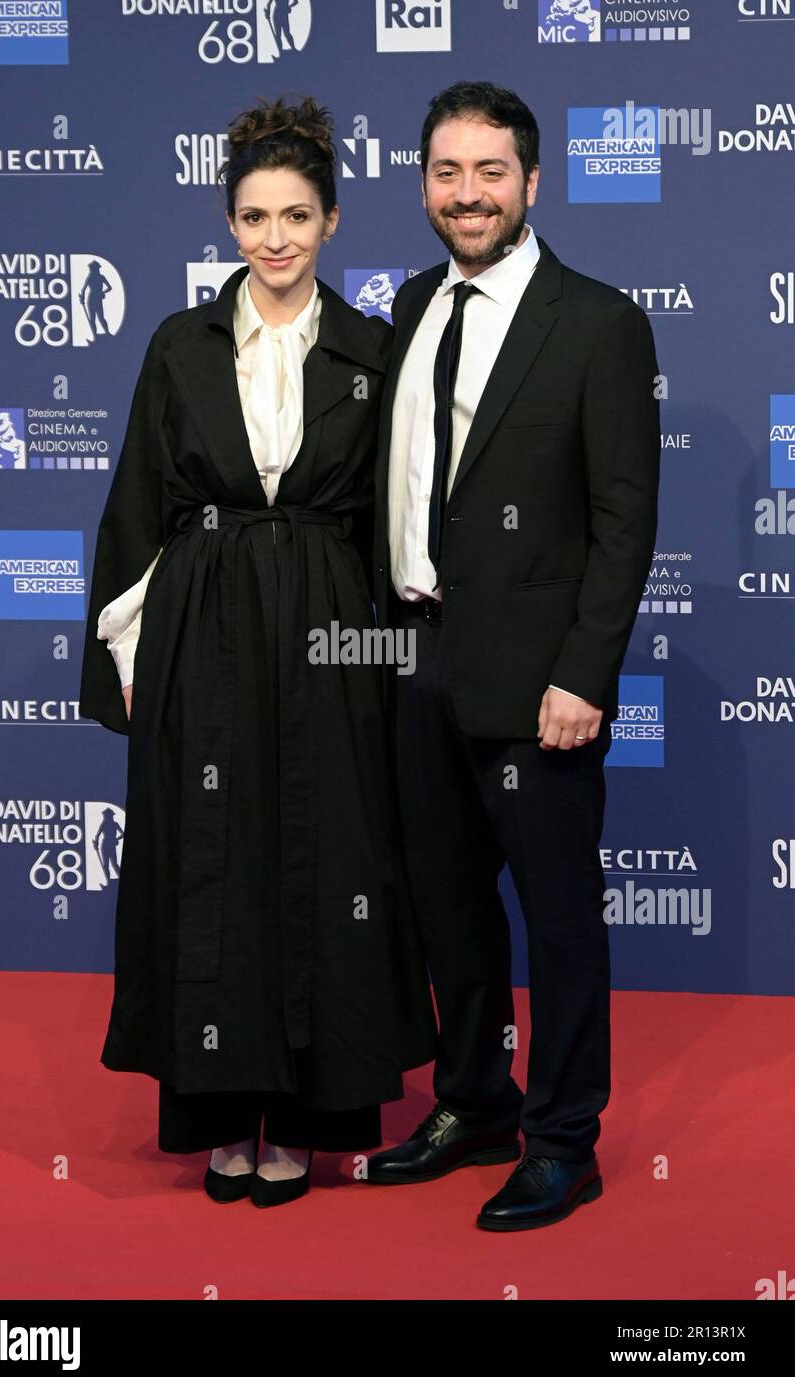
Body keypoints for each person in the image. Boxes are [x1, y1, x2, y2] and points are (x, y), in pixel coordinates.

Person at [78, 95, 436, 1210]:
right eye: (250, 217)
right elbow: (138, 505)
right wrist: (130, 658)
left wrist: (397, 667)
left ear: (332, 219)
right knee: (215, 864)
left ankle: (308, 1123)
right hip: (207, 624)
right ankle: (224, 1121)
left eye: (294, 215)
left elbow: (401, 521)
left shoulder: (374, 350)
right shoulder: (176, 346)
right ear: (227, 225)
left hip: (330, 630)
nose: (273, 238)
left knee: (328, 863)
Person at [367, 81, 660, 1230]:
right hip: (418, 662)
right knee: (449, 912)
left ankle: (560, 1137)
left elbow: (621, 518)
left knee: (558, 917)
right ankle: (472, 1099)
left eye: (490, 172)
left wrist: (583, 674)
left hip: (539, 685)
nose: (467, 193)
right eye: (447, 171)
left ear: (532, 183)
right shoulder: (407, 307)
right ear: (424, 184)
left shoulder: (595, 322)